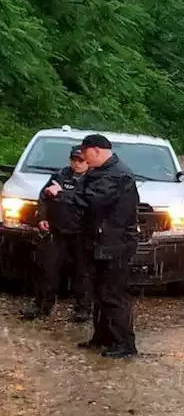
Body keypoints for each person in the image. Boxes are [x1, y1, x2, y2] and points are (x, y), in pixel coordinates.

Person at [45, 134, 140, 358]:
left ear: (96, 150)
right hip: (97, 242)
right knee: (99, 293)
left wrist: (61, 195)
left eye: (85, 154)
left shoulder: (117, 175)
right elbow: (83, 195)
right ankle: (103, 338)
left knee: (113, 295)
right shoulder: (100, 172)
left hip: (115, 244)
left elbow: (90, 200)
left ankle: (125, 344)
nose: (83, 160)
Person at [21, 147, 92, 322]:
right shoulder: (60, 175)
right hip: (57, 230)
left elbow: (90, 202)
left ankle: (83, 308)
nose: (77, 164)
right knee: (48, 269)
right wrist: (42, 217)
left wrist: (63, 193)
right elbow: (45, 197)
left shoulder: (94, 180)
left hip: (82, 233)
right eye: (74, 160)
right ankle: (41, 305)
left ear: (88, 162)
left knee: (82, 272)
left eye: (81, 160)